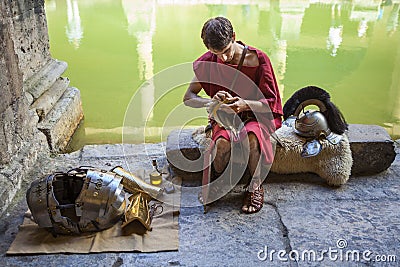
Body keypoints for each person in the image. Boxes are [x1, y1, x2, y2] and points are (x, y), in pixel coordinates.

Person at [183, 17, 283, 214]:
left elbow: (272, 104)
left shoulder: (258, 59)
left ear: (234, 38)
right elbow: (188, 97)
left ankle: (255, 187)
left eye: (227, 51)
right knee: (222, 143)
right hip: (226, 117)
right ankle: (221, 182)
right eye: (217, 54)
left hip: (255, 115)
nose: (224, 59)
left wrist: (245, 104)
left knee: (252, 138)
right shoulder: (207, 63)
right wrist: (211, 102)